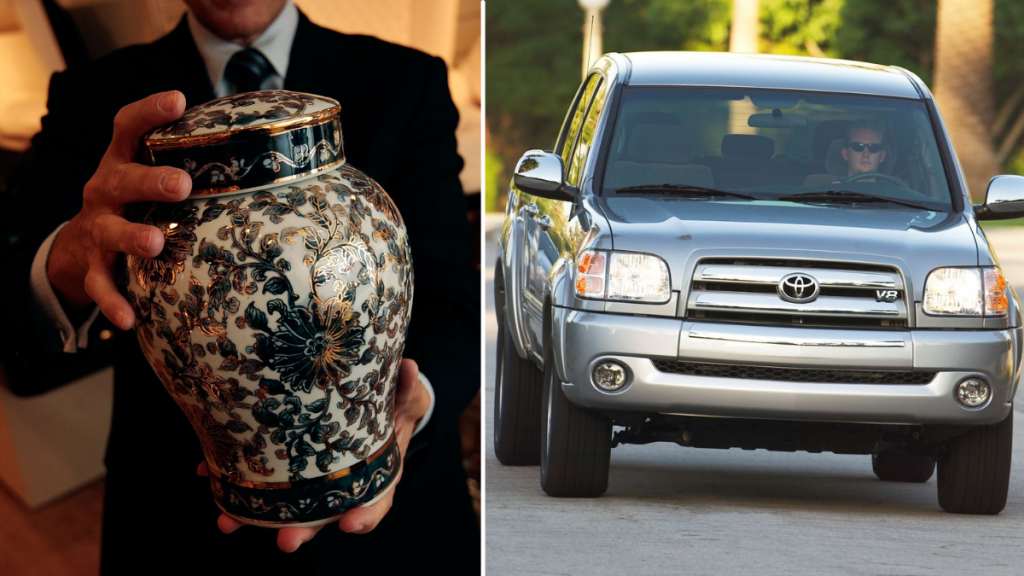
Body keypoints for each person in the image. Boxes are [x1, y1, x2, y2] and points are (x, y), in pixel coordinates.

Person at [0, 0, 480, 573]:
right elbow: (12, 294)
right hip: (180, 521)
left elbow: (458, 293)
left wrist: (410, 403)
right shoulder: (93, 94)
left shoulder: (405, 76)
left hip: (397, 522)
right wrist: (68, 258)